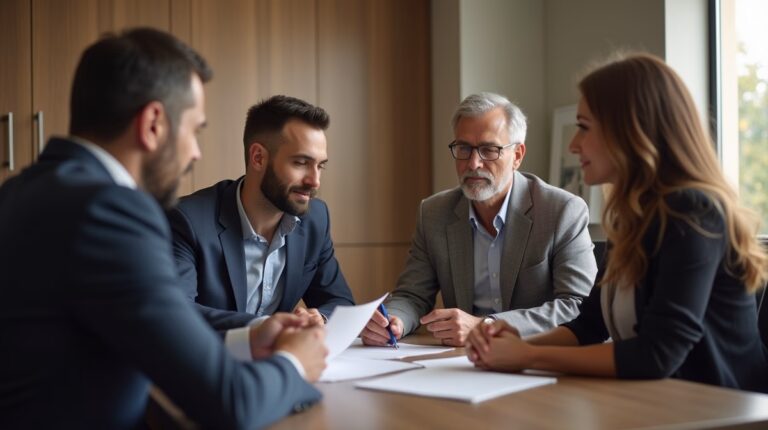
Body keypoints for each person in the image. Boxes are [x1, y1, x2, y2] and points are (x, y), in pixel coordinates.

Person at [0, 28, 328, 429]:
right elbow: (232, 404)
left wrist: (251, 333)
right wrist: (295, 364)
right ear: (153, 123)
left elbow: (142, 331)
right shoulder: (109, 212)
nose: (196, 151)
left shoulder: (20, 192)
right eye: (194, 130)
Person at [466, 54, 768, 393]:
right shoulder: (636, 218)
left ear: (631, 130)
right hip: (664, 404)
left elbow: (657, 354)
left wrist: (526, 357)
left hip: (722, 411)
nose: (573, 144)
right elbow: (589, 327)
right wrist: (518, 344)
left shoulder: (692, 212)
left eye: (584, 126)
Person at [362, 92, 597, 347]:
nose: (473, 163)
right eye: (464, 148)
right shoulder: (434, 213)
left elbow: (578, 306)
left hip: (535, 359)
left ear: (517, 155)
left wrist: (486, 326)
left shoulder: (561, 211)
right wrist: (396, 320)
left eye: (489, 150)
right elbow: (412, 294)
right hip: (461, 362)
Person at [167, 95, 354, 332]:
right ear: (258, 158)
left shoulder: (316, 218)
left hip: (282, 362)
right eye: (300, 163)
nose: (314, 181)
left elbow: (340, 303)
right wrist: (267, 326)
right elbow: (177, 311)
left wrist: (320, 318)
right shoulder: (187, 219)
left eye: (320, 165)